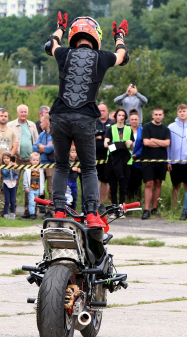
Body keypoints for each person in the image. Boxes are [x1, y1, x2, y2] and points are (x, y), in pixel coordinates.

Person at [44, 13, 129, 228]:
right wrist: (119, 36)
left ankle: (60, 211)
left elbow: (50, 45)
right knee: (89, 167)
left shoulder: (63, 53)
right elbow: (123, 56)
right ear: (96, 37)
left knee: (62, 165)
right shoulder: (103, 56)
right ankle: (92, 213)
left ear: (74, 36)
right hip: (85, 118)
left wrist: (60, 28)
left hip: (59, 117)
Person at [140, 107, 170, 219]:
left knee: (158, 183)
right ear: (152, 115)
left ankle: (154, 208)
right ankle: (146, 209)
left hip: (161, 160)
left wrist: (154, 140)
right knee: (149, 183)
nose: (158, 116)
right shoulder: (147, 127)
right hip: (148, 160)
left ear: (163, 116)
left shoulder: (166, 130)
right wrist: (159, 143)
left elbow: (167, 143)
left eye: (160, 114)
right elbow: (146, 142)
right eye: (156, 114)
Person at [10, 104, 38, 218]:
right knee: (13, 184)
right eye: (21, 112)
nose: (23, 114)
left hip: (30, 160)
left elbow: (36, 141)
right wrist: (12, 157)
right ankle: (12, 209)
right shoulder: (11, 125)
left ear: (28, 113)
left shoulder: (32, 125)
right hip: (17, 160)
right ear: (17, 113)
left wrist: (35, 157)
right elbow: (9, 143)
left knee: (32, 186)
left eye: (25, 112)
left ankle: (29, 211)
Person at [0, 108, 18, 210]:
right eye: (1, 115)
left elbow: (15, 146)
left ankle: (3, 209)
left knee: (5, 187)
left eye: (5, 116)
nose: (3, 118)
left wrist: (9, 160)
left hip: (9, 165)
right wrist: (1, 157)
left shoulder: (11, 131)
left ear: (8, 117)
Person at [104, 108, 133, 207]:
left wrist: (130, 143)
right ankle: (114, 208)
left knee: (123, 187)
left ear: (125, 117)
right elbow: (106, 144)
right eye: (119, 115)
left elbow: (132, 147)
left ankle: (121, 208)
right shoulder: (110, 129)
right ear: (115, 117)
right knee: (113, 187)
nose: (121, 117)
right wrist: (120, 146)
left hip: (125, 161)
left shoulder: (129, 129)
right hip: (113, 160)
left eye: (123, 116)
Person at [168, 104, 187, 204]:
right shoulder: (171, 127)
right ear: (177, 113)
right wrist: (168, 160)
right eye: (180, 111)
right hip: (175, 161)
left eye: (184, 111)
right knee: (175, 186)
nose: (182, 113)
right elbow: (168, 146)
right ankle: (174, 208)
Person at [93, 102, 115, 209]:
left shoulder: (112, 123)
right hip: (94, 155)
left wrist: (100, 135)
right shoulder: (93, 122)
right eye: (99, 111)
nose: (101, 113)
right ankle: (92, 202)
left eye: (103, 111)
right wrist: (104, 134)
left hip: (107, 156)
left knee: (105, 180)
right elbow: (92, 134)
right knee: (93, 179)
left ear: (107, 111)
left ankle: (101, 203)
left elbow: (111, 136)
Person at [35, 114, 54, 205]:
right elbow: (34, 147)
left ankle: (52, 210)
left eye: (41, 122)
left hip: (51, 165)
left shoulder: (54, 134)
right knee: (38, 187)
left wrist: (43, 148)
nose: (40, 124)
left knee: (51, 188)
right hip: (41, 164)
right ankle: (39, 208)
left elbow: (52, 148)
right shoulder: (42, 134)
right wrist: (43, 147)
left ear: (47, 123)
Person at [126, 110, 144, 202]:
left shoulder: (143, 130)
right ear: (129, 121)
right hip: (126, 160)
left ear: (139, 120)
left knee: (137, 183)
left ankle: (137, 202)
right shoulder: (126, 130)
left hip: (138, 160)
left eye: (136, 119)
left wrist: (136, 154)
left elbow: (144, 145)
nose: (134, 121)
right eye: (132, 119)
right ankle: (128, 202)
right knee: (128, 182)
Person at [23, 151, 44, 220]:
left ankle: (33, 212)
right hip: (31, 188)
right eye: (34, 160)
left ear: (39, 161)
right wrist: (26, 187)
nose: (35, 162)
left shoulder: (40, 170)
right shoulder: (28, 170)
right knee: (31, 201)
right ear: (30, 160)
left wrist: (42, 190)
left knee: (35, 201)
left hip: (37, 188)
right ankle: (32, 214)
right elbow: (25, 179)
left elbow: (42, 180)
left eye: (37, 160)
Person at [0, 152, 18, 219]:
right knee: (7, 200)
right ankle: (5, 213)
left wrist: (15, 167)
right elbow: (5, 174)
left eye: (7, 158)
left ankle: (12, 213)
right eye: (4, 158)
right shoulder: (3, 167)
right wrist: (8, 168)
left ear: (10, 159)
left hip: (13, 183)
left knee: (12, 200)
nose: (6, 159)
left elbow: (16, 174)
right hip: (6, 184)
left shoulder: (14, 165)